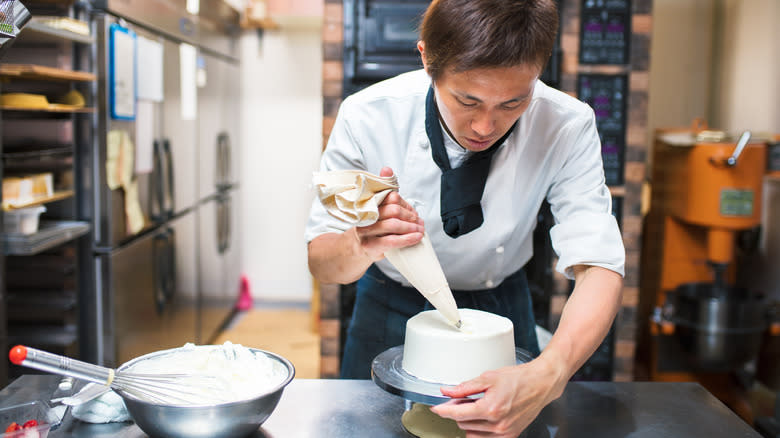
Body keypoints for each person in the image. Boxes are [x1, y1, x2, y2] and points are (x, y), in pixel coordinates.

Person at [305, 0, 625, 435]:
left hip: (501, 307)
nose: (484, 126)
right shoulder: (368, 115)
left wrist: (549, 374)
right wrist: (359, 242)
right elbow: (322, 262)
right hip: (388, 304)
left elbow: (600, 266)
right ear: (426, 59)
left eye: (514, 102)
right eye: (466, 100)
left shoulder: (567, 124)